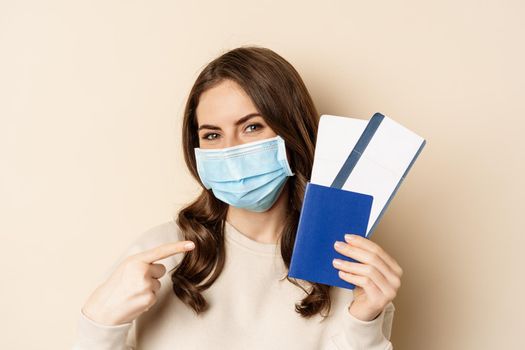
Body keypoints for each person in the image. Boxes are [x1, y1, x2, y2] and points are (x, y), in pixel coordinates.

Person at [72, 46, 402, 350]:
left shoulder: (348, 267)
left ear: (290, 131)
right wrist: (99, 321)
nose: (230, 151)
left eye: (252, 127)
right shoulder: (156, 257)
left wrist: (364, 323)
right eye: (212, 134)